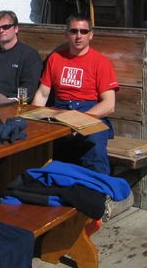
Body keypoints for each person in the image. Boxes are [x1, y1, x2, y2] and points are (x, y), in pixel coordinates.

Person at [31, 14, 119, 174]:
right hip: (60, 112)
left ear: (91, 35)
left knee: (93, 146)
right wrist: (32, 119)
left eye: (84, 31)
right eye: (74, 31)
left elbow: (109, 105)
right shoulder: (55, 58)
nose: (79, 36)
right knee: (33, 141)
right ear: (66, 34)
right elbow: (42, 95)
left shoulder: (101, 62)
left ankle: (96, 187)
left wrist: (79, 121)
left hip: (90, 113)